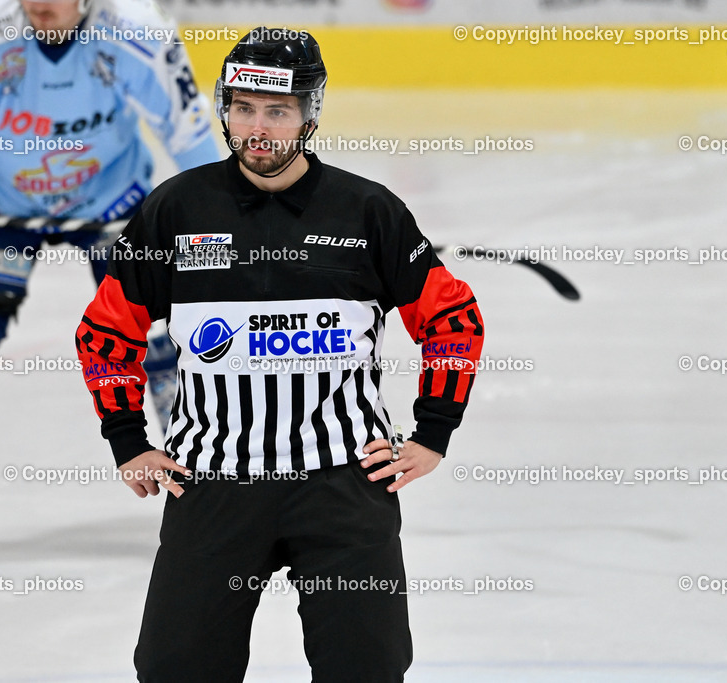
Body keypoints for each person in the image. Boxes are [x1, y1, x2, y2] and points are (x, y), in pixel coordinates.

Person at [75, 27, 484, 682]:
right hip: (215, 482)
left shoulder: (367, 211)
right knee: (175, 669)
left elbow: (452, 320)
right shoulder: (176, 210)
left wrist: (432, 432)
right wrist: (127, 440)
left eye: (277, 110)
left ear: (309, 114)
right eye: (243, 108)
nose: (257, 128)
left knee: (367, 668)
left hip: (342, 483)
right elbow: (105, 331)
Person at [0, 0, 220, 555]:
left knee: (164, 331)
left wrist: (218, 213)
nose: (39, 3)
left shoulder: (137, 35)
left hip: (110, 202)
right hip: (0, 204)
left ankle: (203, 475)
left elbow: (186, 126)